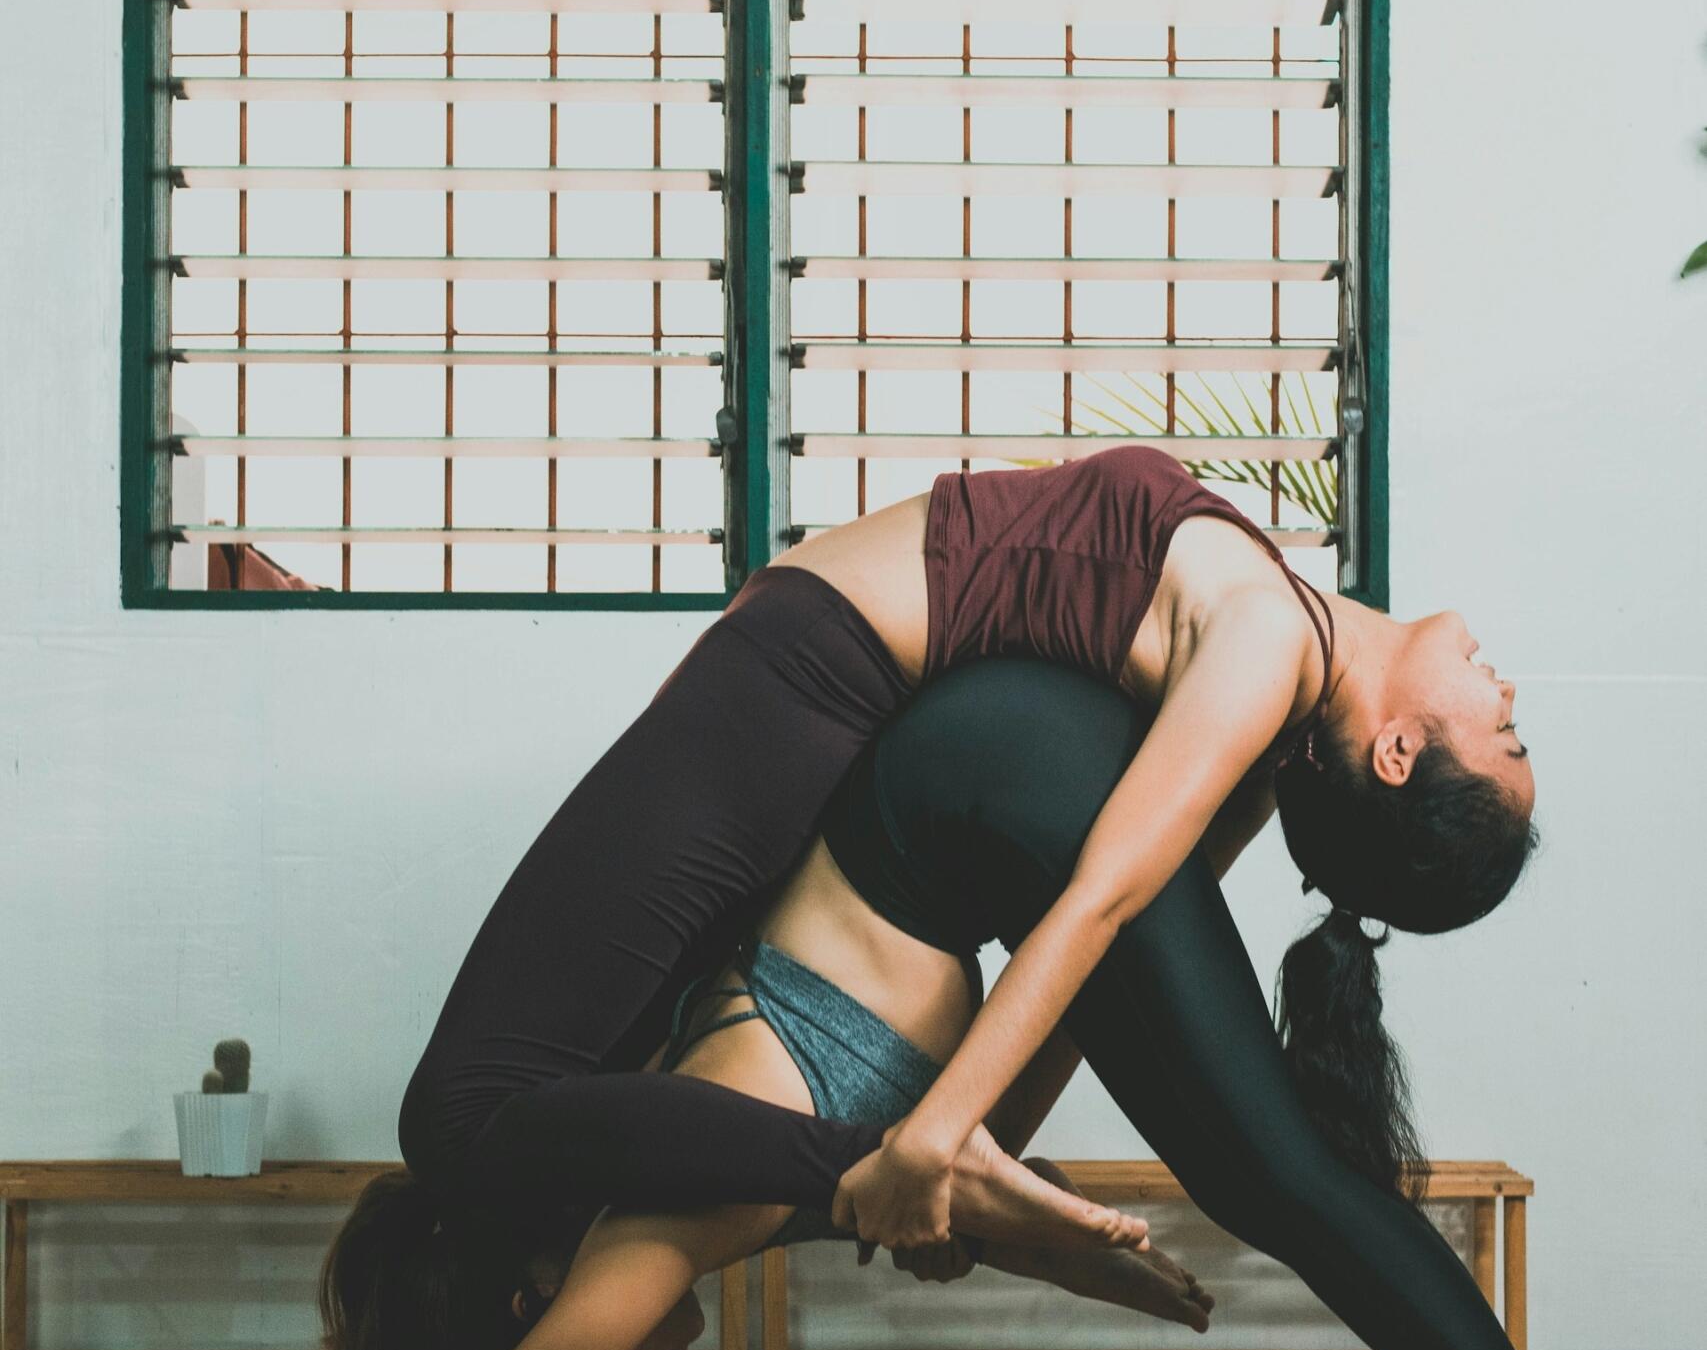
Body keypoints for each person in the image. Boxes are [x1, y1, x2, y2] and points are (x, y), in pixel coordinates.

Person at [7, 766, 1209, 1350]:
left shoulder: (648, 1233)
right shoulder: (618, 1196)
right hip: (960, 837)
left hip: (942, 804)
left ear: (539, 1307)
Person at [397, 444, 1540, 1274]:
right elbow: (1100, 967)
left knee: (456, 1123)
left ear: (1399, 753)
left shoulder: (1260, 652)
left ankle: (855, 1164)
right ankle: (530, 1268)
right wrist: (982, 1150)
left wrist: (949, 1142)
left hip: (798, 679)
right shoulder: (1272, 667)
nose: (1509, 691)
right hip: (803, 698)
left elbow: (1099, 922)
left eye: (1506, 735)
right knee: (575, 1089)